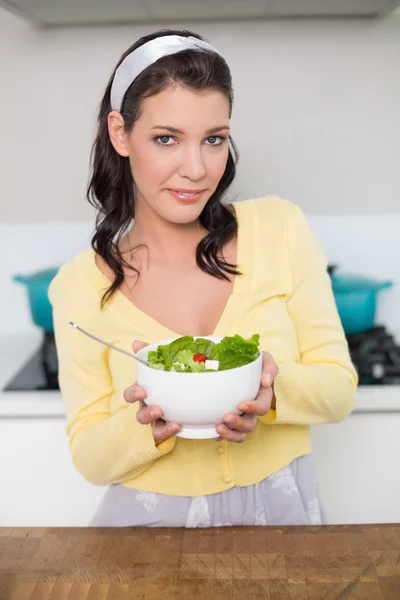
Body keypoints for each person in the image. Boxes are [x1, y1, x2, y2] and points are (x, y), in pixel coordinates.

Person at [48, 29, 358, 527]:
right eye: (166, 139)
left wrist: (272, 391)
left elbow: (340, 388)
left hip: (282, 518)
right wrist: (143, 425)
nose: (195, 169)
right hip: (149, 533)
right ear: (120, 133)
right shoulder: (79, 286)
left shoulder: (279, 228)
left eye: (213, 139)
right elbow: (88, 454)